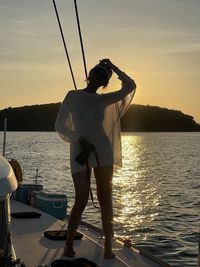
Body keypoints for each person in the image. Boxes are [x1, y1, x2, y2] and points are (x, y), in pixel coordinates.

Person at [55, 58, 136, 259]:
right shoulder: (72, 96)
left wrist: (113, 66)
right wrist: (78, 139)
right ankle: (68, 244)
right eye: (97, 72)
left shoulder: (103, 100)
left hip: (102, 150)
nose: (98, 76)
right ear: (89, 75)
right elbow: (60, 126)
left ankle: (108, 246)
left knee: (105, 198)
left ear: (104, 83)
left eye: (103, 75)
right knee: (81, 198)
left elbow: (131, 86)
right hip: (79, 150)